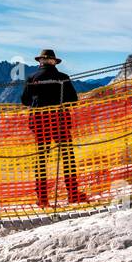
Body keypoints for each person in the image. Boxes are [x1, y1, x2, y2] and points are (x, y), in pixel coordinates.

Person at [20, 49, 82, 207]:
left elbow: (25, 101)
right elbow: (73, 100)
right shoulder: (63, 78)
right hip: (60, 121)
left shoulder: (32, 78)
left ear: (40, 61)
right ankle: (73, 194)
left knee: (41, 159)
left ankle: (42, 198)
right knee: (68, 157)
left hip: (39, 123)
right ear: (54, 62)